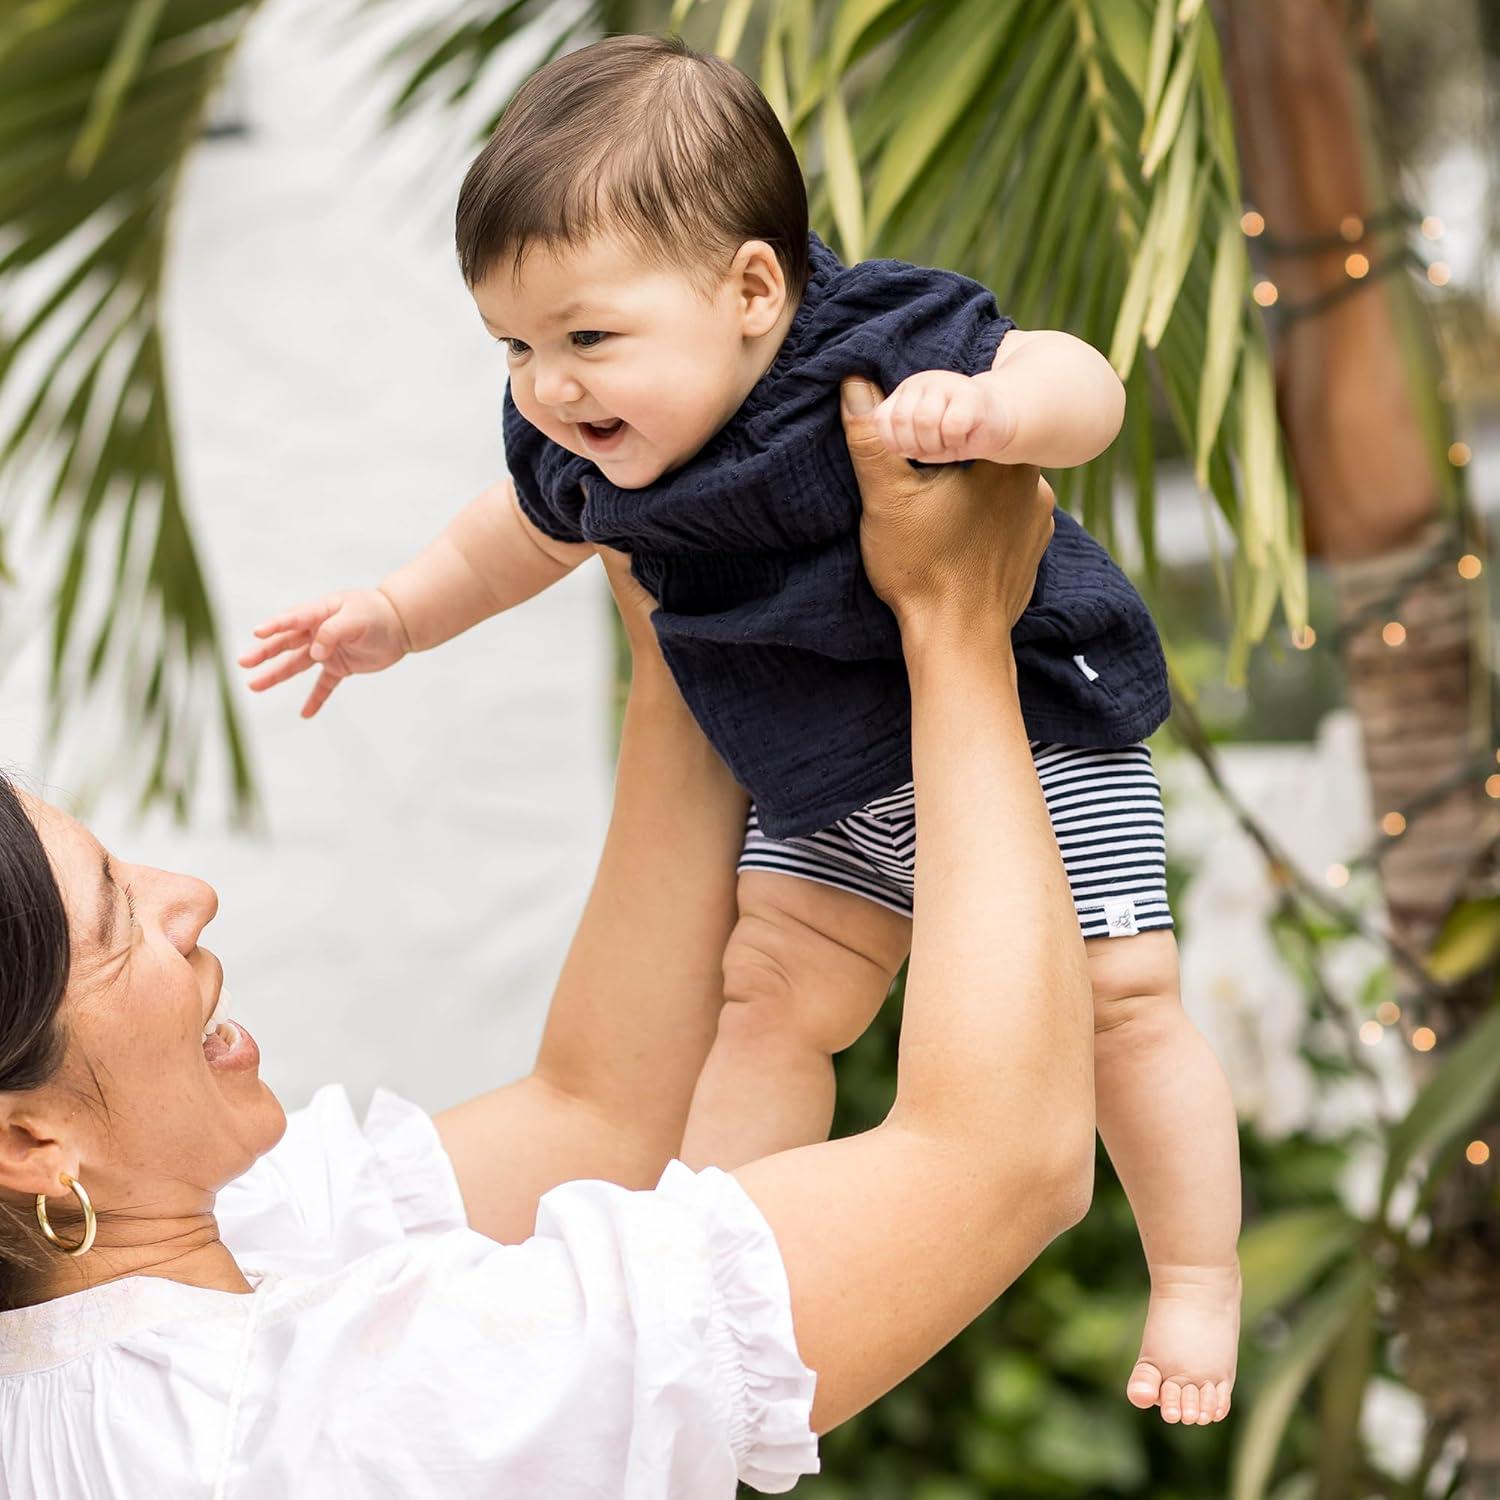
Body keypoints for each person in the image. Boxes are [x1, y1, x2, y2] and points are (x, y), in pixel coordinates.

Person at [240, 33, 1239, 1421]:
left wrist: (997, 408)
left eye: (587, 337)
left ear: (753, 288)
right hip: (825, 784)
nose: (546, 386)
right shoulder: (582, 443)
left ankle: (1195, 1275)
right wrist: (399, 615)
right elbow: (511, 539)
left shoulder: (877, 344)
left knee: (1123, 1008)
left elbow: (1089, 386)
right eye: (516, 346)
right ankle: (708, 1257)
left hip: (1033, 736)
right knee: (765, 1003)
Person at [1, 401, 1097, 1495]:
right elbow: (999, 1160)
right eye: (116, 920)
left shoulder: (170, 1268)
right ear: (29, 1143)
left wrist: (678, 631)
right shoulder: (317, 1423)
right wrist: (957, 621)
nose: (189, 897)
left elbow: (602, 1113)